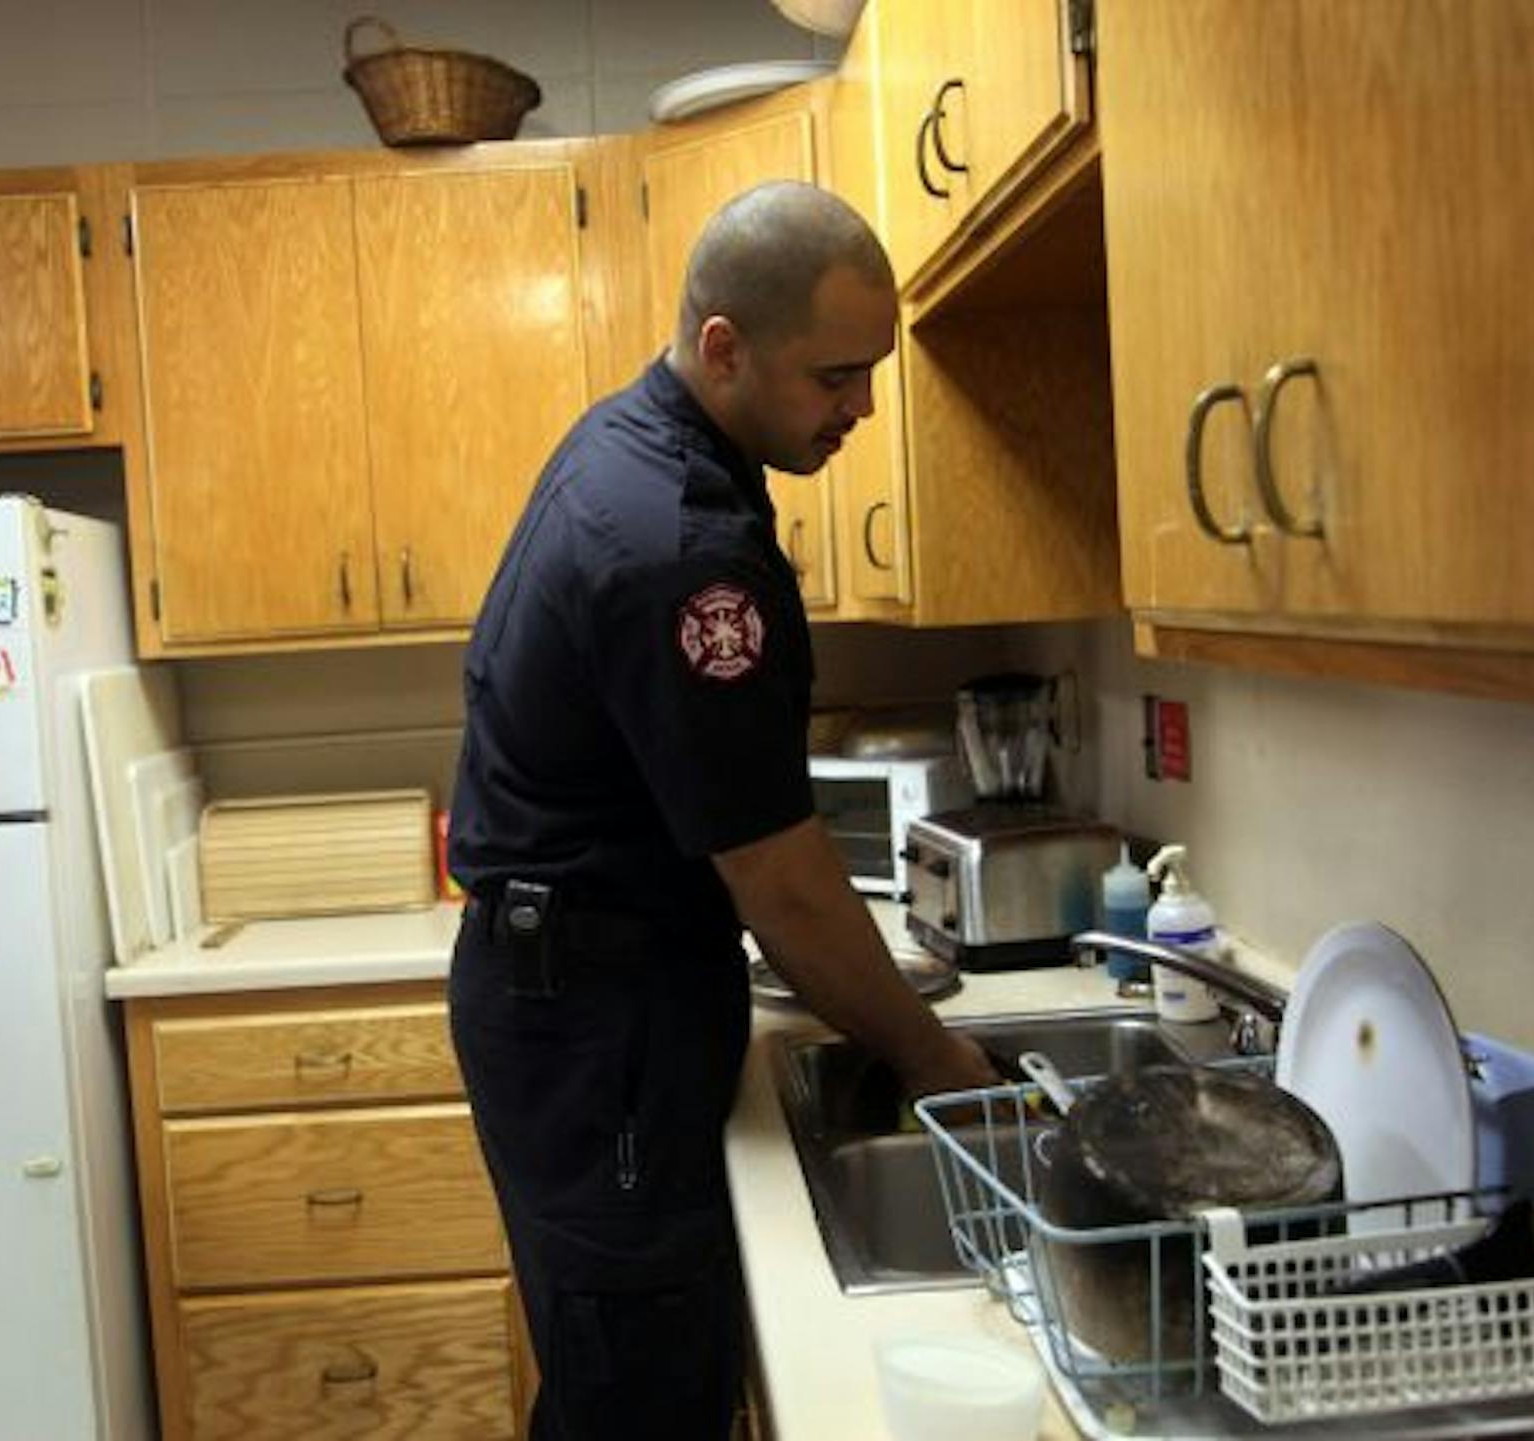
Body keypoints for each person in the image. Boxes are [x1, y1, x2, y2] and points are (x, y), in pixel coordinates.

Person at [445, 180, 999, 1440]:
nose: (862, 406)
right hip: (600, 1025)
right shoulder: (680, 539)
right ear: (723, 348)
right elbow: (781, 872)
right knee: (642, 1399)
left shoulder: (642, 444)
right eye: (835, 376)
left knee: (623, 1379)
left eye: (873, 371)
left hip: (580, 1000)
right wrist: (934, 1059)